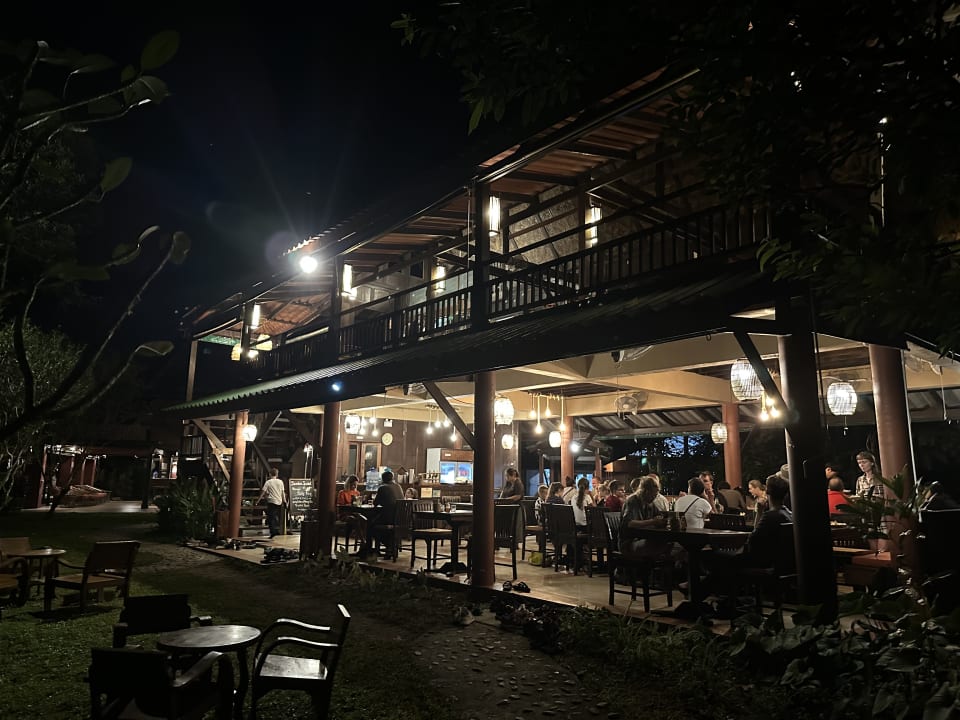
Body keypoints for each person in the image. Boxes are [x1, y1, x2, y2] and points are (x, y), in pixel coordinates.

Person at [620, 476, 671, 559]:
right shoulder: (632, 501)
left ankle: (658, 566)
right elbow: (629, 523)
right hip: (629, 543)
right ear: (646, 491)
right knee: (654, 545)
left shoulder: (650, 503)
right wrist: (653, 521)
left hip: (644, 538)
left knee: (669, 543)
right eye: (653, 495)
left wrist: (662, 520)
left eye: (656, 495)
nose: (654, 498)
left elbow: (659, 516)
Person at [360, 470, 405, 557]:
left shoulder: (383, 488)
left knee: (369, 524)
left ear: (383, 479)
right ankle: (389, 545)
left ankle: (370, 549)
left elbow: (375, 503)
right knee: (374, 523)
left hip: (388, 519)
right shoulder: (398, 486)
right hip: (399, 519)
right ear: (392, 478)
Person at [257, 468, 287, 539]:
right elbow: (282, 493)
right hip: (279, 501)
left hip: (271, 501)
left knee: (271, 518)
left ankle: (273, 532)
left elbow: (263, 492)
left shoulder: (268, 482)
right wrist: (285, 501)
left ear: (270, 474)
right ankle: (276, 530)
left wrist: (258, 500)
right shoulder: (280, 482)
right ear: (277, 474)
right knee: (276, 517)